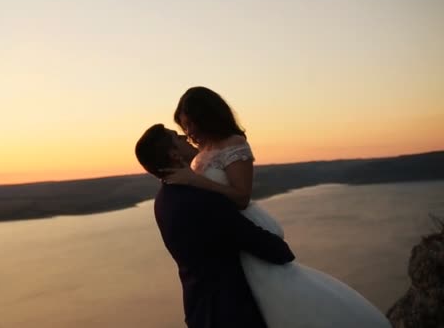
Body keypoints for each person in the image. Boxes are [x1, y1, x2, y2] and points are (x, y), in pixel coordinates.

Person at [161, 86, 392, 328]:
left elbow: (241, 197)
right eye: (183, 127)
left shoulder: (234, 144)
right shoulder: (201, 153)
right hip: (227, 241)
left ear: (206, 115)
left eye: (190, 124)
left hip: (243, 230)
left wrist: (196, 181)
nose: (188, 132)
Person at [135, 123, 296, 327]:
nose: (185, 137)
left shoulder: (163, 200)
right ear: (174, 154)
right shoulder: (202, 198)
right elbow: (255, 241)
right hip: (230, 313)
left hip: (199, 310)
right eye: (177, 137)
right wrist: (283, 251)